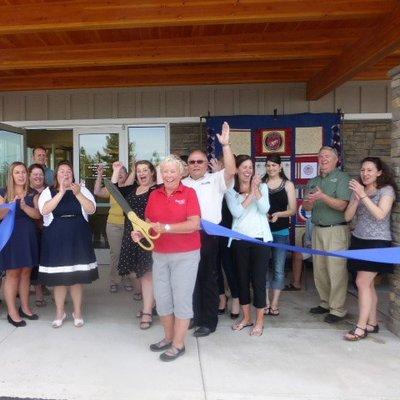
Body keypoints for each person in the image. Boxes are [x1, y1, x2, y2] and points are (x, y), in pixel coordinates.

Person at [133, 155, 201, 361]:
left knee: (181, 300)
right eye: (165, 171)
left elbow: (194, 224)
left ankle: (179, 344)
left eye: (173, 171)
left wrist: (167, 228)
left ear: (181, 173)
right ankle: (168, 337)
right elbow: (147, 222)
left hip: (185, 255)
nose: (169, 175)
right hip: (160, 254)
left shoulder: (189, 193)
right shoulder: (155, 195)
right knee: (162, 300)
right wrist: (139, 233)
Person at [182, 121, 236, 337]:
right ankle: (195, 315)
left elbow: (231, 171)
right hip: (186, 234)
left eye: (200, 161)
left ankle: (208, 321)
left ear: (207, 164)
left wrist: (225, 145)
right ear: (187, 165)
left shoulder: (215, 180)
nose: (196, 165)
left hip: (208, 235)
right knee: (189, 279)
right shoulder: (181, 183)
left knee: (208, 278)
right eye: (192, 162)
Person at [38, 160, 98, 328]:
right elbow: (44, 210)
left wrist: (78, 194)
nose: (66, 174)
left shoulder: (82, 189)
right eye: (62, 171)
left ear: (73, 174)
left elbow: (91, 209)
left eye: (69, 171)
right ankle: (60, 312)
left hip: (78, 237)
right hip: (56, 239)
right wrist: (61, 193)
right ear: (56, 175)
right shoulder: (48, 192)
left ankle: (77, 312)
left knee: (77, 277)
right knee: (59, 278)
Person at [343, 157, 396, 340]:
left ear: (379, 172)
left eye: (370, 170)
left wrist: (363, 196)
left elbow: (381, 215)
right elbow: (348, 217)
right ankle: (372, 323)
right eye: (363, 170)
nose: (365, 174)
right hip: (359, 240)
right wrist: (356, 199)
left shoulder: (386, 190)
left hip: (377, 242)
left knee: (362, 282)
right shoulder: (359, 189)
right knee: (368, 284)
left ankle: (361, 327)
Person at [225, 155, 272, 336]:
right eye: (244, 167)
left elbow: (265, 209)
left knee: (258, 281)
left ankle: (259, 321)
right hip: (239, 241)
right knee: (242, 280)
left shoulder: (264, 187)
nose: (247, 171)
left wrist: (257, 190)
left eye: (250, 167)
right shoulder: (230, 190)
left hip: (260, 240)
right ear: (236, 170)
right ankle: (247, 318)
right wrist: (251, 194)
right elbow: (236, 212)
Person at [303, 146, 351, 323]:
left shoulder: (342, 178)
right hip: (317, 229)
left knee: (336, 270)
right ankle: (325, 302)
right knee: (320, 269)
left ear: (336, 159)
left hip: (336, 230)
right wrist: (308, 202)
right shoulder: (313, 180)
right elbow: (307, 207)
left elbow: (342, 206)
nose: (323, 159)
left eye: (327, 156)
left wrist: (322, 197)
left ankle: (337, 309)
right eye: (320, 156)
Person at [112, 160, 157, 330]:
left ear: (152, 172)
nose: (142, 173)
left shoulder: (157, 189)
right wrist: (116, 170)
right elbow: (114, 190)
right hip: (131, 234)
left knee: (146, 273)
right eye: (139, 171)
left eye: (145, 170)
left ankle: (147, 310)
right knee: (136, 273)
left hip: (149, 235)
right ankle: (152, 303)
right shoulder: (132, 189)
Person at [0, 162, 41, 327]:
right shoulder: (4, 192)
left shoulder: (32, 193)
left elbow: (37, 215)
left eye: (23, 172)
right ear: (12, 175)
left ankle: (25, 307)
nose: (21, 175)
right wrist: (10, 205)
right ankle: (12, 312)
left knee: (26, 273)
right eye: (17, 172)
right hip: (11, 237)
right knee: (12, 274)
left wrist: (23, 206)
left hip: (28, 237)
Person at [94, 162, 138, 294]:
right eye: (117, 174)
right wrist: (100, 175)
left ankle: (127, 279)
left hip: (129, 225)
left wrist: (134, 170)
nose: (119, 176)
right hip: (113, 224)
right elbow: (97, 191)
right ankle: (115, 280)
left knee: (128, 253)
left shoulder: (131, 188)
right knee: (116, 254)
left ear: (126, 176)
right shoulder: (112, 188)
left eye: (122, 174)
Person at [262, 155, 296, 316]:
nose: (271, 168)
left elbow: (293, 210)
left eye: (274, 165)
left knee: (278, 269)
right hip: (262, 232)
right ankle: (266, 303)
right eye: (268, 165)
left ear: (280, 167)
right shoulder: (261, 184)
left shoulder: (288, 185)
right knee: (262, 268)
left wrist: (279, 214)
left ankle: (275, 303)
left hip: (281, 231)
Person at [209, 157, 240, 319]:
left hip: (229, 231)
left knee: (229, 267)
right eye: (222, 164)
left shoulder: (237, 182)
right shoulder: (210, 180)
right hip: (213, 231)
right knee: (215, 267)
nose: (223, 167)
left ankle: (236, 297)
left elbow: (231, 197)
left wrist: (219, 177)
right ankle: (221, 297)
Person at [28, 163, 48, 307]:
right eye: (35, 174)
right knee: (35, 263)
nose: (38, 176)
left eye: (40, 174)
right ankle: (39, 294)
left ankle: (53, 289)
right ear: (29, 176)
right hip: (32, 232)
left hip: (48, 231)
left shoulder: (49, 190)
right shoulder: (26, 192)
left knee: (48, 261)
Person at [284, 217, 313, 291]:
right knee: (297, 253)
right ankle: (296, 284)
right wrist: (311, 245)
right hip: (312, 248)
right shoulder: (310, 221)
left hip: (326, 249)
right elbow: (306, 239)